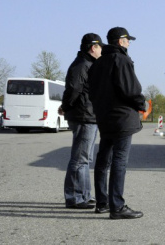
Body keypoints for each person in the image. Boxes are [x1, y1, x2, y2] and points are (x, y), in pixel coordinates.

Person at [89, 27, 146, 219]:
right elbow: (130, 89)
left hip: (104, 118)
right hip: (121, 118)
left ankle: (102, 203)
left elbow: (92, 91)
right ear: (121, 41)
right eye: (128, 40)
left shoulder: (97, 63)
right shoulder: (121, 60)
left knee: (103, 160)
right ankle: (117, 207)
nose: (129, 43)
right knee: (119, 161)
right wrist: (142, 104)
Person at [60, 33, 103, 209]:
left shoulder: (87, 64)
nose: (101, 50)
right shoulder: (82, 65)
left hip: (88, 116)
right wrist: (66, 106)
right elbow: (73, 89)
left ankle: (84, 195)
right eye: (100, 47)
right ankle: (75, 197)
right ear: (93, 47)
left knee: (85, 158)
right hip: (83, 116)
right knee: (79, 158)